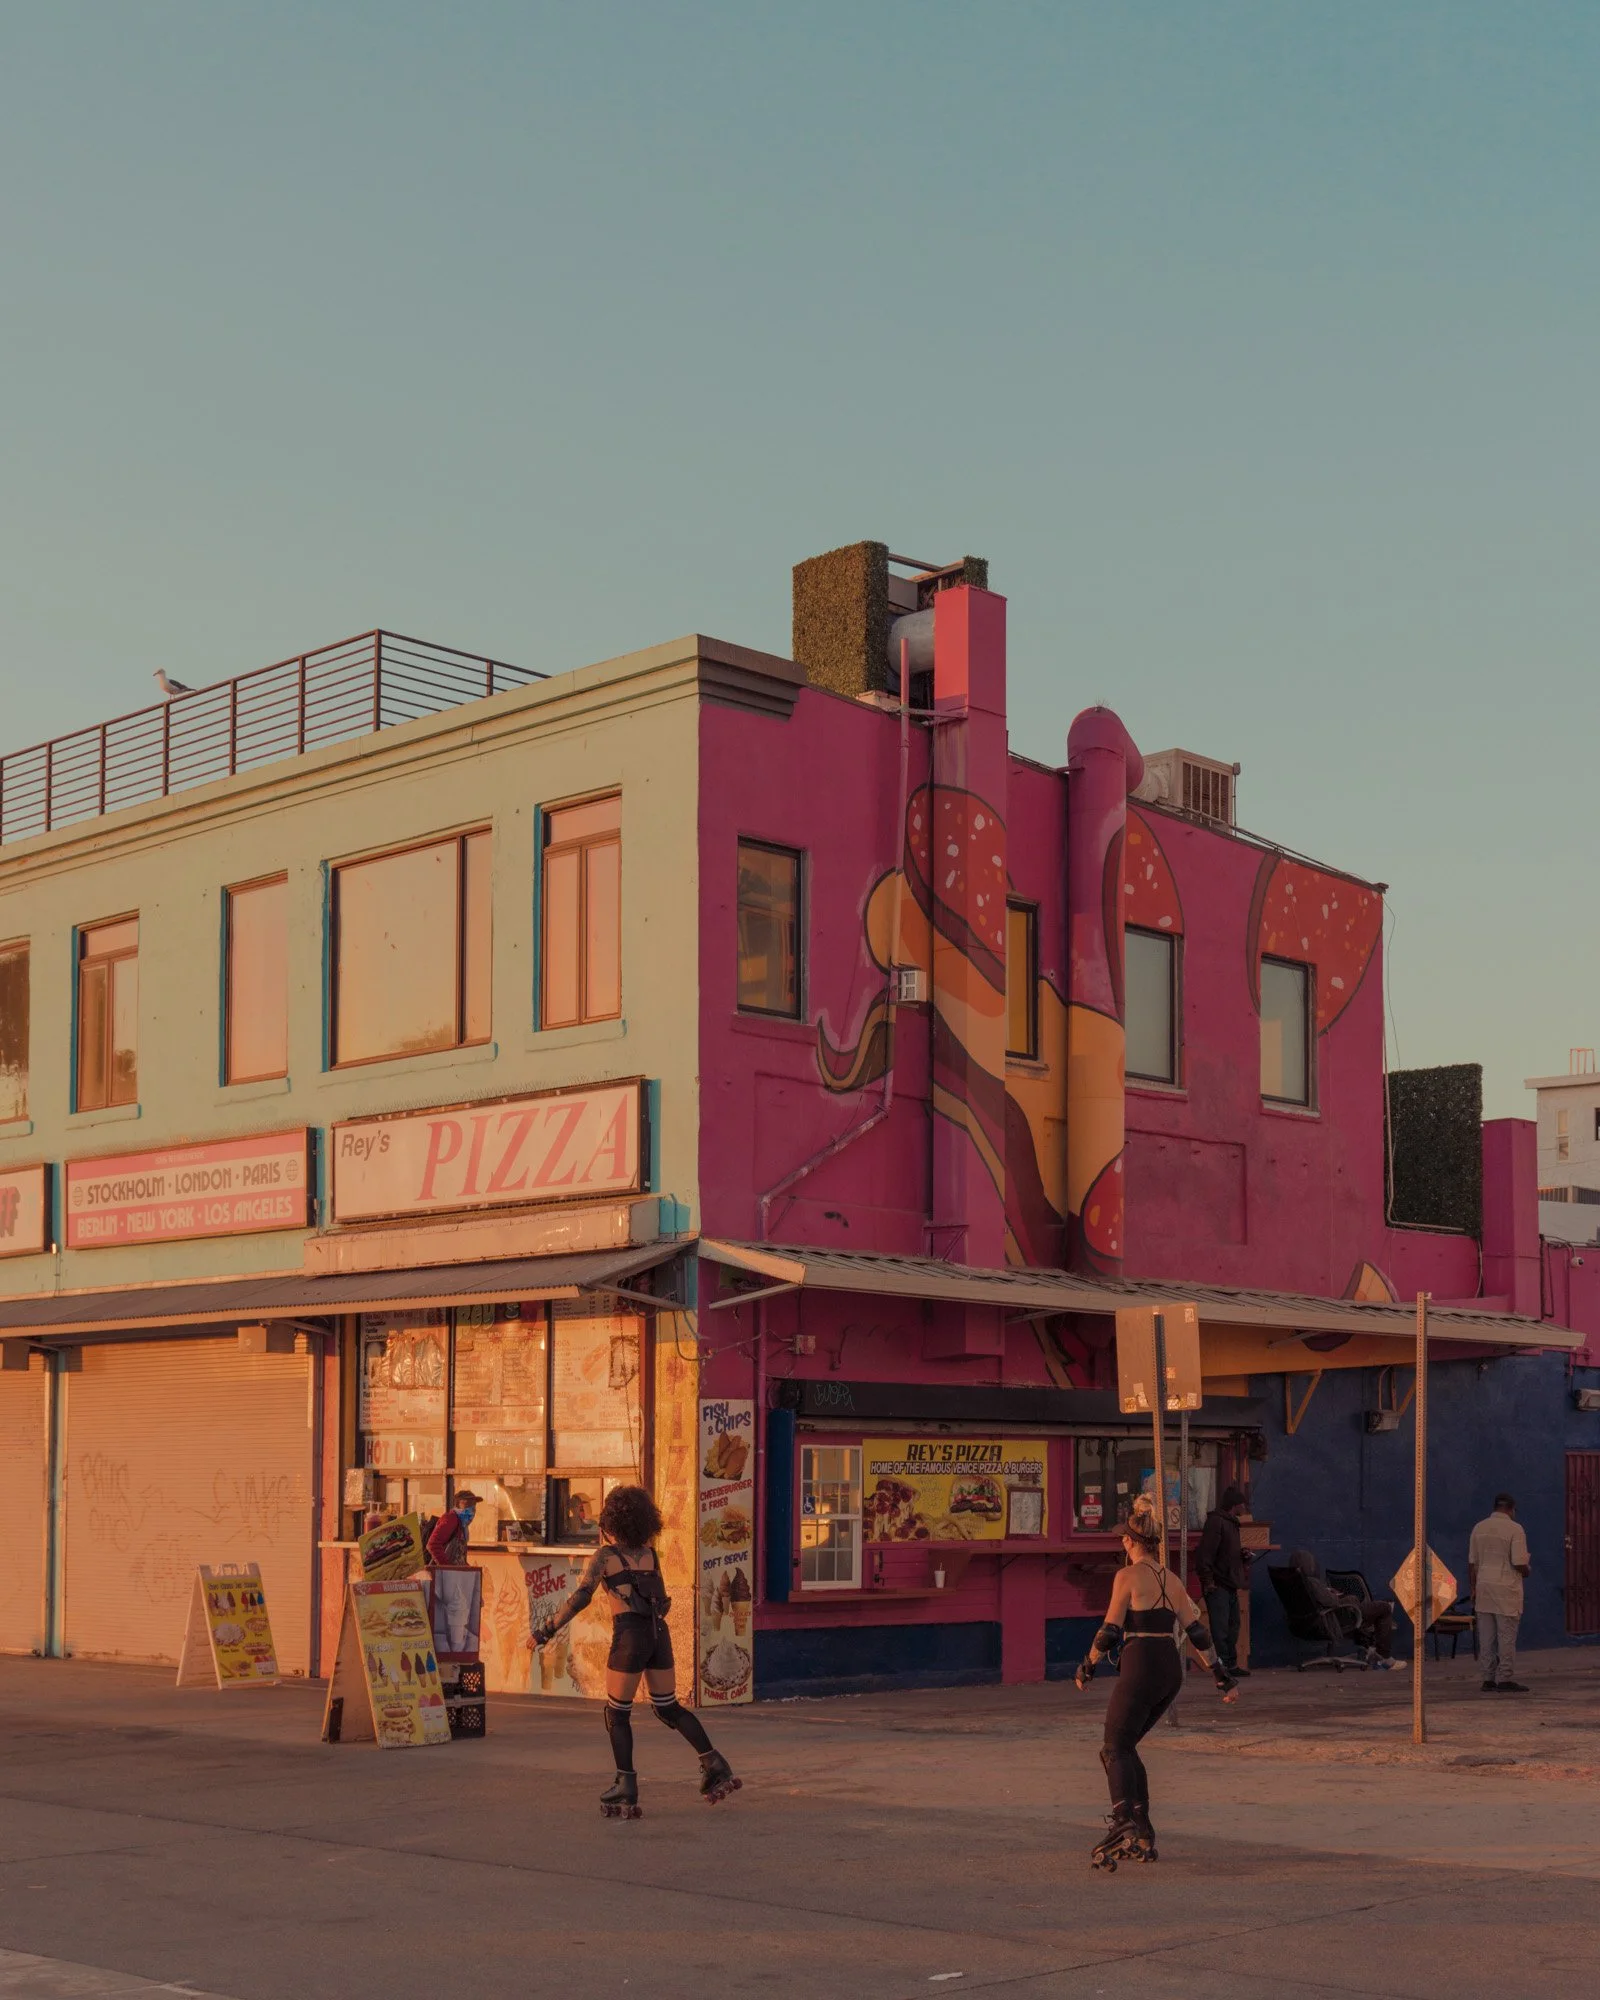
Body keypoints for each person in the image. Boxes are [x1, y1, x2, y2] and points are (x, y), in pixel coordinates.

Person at [534, 1483, 739, 1818]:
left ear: (612, 1523)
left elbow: (581, 1598)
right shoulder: (650, 1555)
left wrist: (544, 1631)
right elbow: (664, 1602)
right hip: (659, 1635)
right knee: (668, 1708)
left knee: (617, 1713)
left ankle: (625, 1784)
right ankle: (713, 1762)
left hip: (629, 1637)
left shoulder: (605, 1556)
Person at [1074, 1494, 1238, 1869]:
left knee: (1113, 1747)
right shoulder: (1173, 1580)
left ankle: (1122, 1824)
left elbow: (1110, 1630)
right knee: (1127, 1745)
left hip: (1142, 1663)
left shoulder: (1127, 1576)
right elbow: (1197, 1633)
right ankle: (1143, 1830)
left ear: (1131, 1542)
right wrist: (1221, 1677)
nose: (1121, 1542)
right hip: (1170, 1670)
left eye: (1123, 1538)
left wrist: (1088, 1665)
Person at [1289, 1550, 1404, 1670]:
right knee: (1384, 1607)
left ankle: (1369, 1649)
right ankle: (1384, 1658)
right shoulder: (1312, 1583)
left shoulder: (1296, 1584)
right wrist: (1338, 1596)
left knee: (1357, 1604)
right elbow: (1332, 1602)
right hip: (1335, 1620)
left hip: (1308, 1624)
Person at [1469, 1492, 1531, 1693]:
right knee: (1506, 1636)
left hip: (1484, 1588)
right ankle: (1504, 1678)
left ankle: (1487, 1678)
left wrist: (1473, 1588)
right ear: (1512, 1509)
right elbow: (1520, 1562)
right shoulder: (1515, 1529)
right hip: (1506, 1590)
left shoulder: (1479, 1528)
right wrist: (1527, 1570)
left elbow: (1472, 1563)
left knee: (1486, 1637)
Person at [1196, 1485, 1252, 1678]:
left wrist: (1242, 1555)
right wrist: (1208, 1580)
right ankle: (1222, 1667)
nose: (1244, 1507)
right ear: (1234, 1505)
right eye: (1242, 1503)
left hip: (1229, 1583)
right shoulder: (1217, 1523)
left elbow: (1226, 1554)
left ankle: (1231, 1663)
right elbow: (1205, 1554)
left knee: (1233, 1625)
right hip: (1218, 1583)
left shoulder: (1231, 1523)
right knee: (1220, 1629)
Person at [426, 1489, 482, 1568]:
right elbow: (433, 1544)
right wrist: (447, 1568)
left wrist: (468, 1568)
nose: (472, 1510)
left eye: (473, 1506)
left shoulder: (462, 1525)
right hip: (446, 1575)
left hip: (455, 1575)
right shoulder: (451, 1519)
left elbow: (458, 1557)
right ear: (458, 1504)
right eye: (467, 1504)